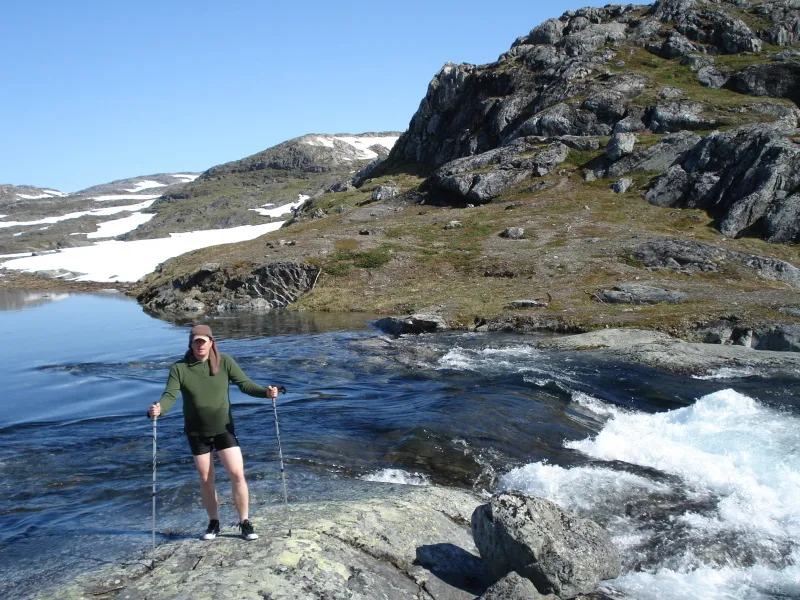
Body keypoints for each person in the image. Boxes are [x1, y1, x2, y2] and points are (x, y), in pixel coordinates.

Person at [148, 324, 279, 541]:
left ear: (211, 342)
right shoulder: (179, 368)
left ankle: (244, 522)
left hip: (223, 429)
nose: (200, 345)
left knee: (237, 474)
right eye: (196, 342)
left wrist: (266, 392)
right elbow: (170, 396)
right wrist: (159, 409)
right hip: (197, 432)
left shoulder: (225, 362)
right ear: (190, 343)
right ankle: (213, 522)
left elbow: (245, 385)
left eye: (204, 341)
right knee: (206, 479)